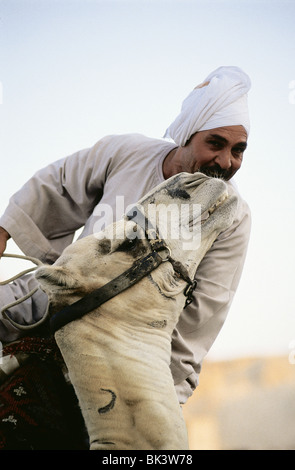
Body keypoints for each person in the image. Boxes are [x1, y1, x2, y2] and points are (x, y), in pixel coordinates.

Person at [0, 66, 251, 404]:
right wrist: (5, 230)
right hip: (50, 301)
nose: (226, 161)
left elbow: (204, 311)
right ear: (188, 135)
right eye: (216, 144)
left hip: (123, 351)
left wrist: (160, 395)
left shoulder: (231, 215)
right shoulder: (127, 153)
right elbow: (60, 183)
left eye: (238, 150)